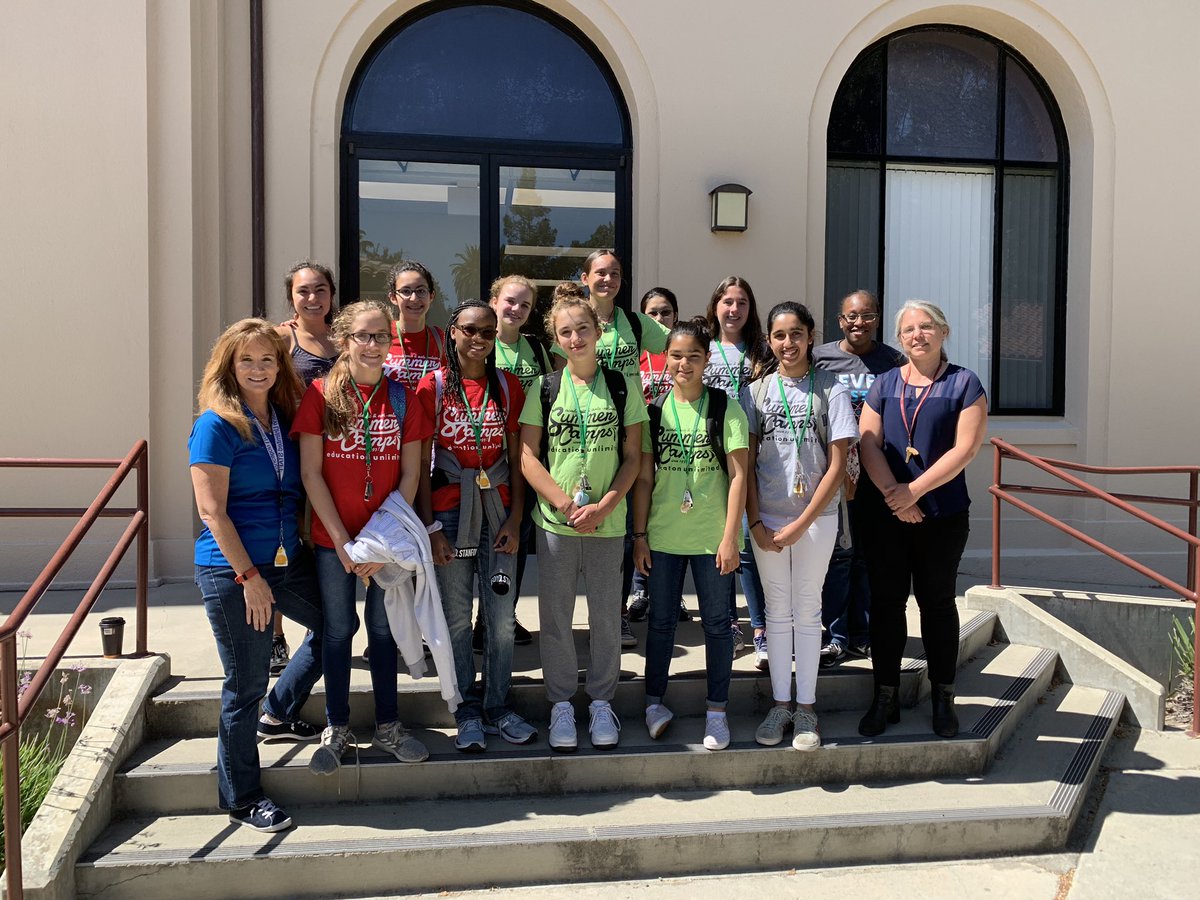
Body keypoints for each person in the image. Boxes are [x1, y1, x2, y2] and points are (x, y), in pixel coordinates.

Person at [189, 318, 324, 833]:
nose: (258, 368)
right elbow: (212, 512)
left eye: (268, 359)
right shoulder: (216, 425)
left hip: (286, 561)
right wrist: (249, 577)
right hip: (233, 571)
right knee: (243, 685)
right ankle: (242, 797)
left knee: (337, 627)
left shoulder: (283, 417)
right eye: (246, 359)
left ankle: (280, 709)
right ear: (228, 365)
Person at [292, 300, 434, 774]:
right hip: (333, 540)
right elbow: (311, 474)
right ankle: (337, 727)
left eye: (381, 337)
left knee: (382, 630)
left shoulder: (403, 398)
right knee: (336, 631)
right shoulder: (321, 395)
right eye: (363, 336)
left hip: (384, 541)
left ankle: (389, 726)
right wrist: (343, 542)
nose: (373, 345)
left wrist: (380, 541)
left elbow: (411, 474)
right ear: (344, 340)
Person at [520, 293, 646, 752]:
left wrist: (605, 507)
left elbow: (633, 458)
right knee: (555, 616)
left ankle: (600, 702)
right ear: (556, 339)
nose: (575, 338)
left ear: (598, 331)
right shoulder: (545, 387)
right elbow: (528, 455)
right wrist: (563, 504)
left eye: (583, 329)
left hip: (606, 524)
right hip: (557, 523)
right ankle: (560, 703)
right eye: (566, 332)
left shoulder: (621, 386)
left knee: (606, 616)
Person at [855, 300, 987, 739]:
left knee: (937, 605)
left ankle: (943, 697)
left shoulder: (964, 383)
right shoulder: (885, 383)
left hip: (941, 514)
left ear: (943, 332)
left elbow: (965, 449)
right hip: (885, 515)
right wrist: (895, 496)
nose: (918, 335)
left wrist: (914, 491)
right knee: (886, 604)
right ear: (899, 338)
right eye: (909, 329)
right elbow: (868, 443)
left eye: (926, 326)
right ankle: (885, 695)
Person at [416, 300, 536, 752]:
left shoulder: (506, 385)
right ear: (453, 331)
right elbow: (420, 464)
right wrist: (430, 527)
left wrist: (517, 517)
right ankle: (466, 708)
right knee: (455, 619)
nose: (479, 339)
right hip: (449, 513)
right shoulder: (433, 386)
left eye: (487, 332)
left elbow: (518, 457)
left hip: (498, 513)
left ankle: (498, 706)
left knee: (501, 619)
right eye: (470, 330)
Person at [744, 302, 858, 751]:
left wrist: (802, 522)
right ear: (769, 340)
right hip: (767, 519)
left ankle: (807, 709)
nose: (787, 343)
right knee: (776, 612)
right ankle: (780, 705)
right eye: (779, 335)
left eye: (796, 333)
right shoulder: (756, 392)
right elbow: (745, 464)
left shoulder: (831, 389)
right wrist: (755, 521)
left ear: (811, 336)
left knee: (808, 610)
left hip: (816, 520)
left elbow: (837, 466)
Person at [633, 319, 749, 751]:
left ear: (707, 359)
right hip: (663, 536)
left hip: (711, 539)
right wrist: (640, 535)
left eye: (694, 356)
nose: (684, 364)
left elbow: (739, 477)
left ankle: (717, 711)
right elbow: (645, 479)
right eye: (676, 356)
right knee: (661, 624)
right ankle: (654, 705)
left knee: (718, 626)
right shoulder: (654, 411)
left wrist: (730, 538)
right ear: (665, 358)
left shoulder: (725, 407)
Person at [557, 250, 669, 649]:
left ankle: (616, 615)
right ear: (585, 278)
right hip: (587, 434)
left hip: (631, 429)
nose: (608, 279)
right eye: (600, 272)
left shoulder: (636, 323)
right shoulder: (573, 321)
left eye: (616, 273)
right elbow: (558, 375)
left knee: (623, 526)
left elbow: (679, 347)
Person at [813, 289, 904, 668]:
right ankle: (834, 634)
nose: (859, 323)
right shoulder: (820, 357)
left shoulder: (893, 361)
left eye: (867, 316)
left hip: (877, 472)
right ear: (840, 321)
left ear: (877, 320)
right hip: (833, 471)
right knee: (838, 556)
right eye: (851, 316)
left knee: (867, 556)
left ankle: (862, 633)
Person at [269, 260, 339, 676]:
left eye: (320, 290)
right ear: (291, 297)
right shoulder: (281, 338)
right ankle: (276, 636)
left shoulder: (343, 339)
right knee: (287, 544)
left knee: (321, 546)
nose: (313, 298)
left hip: (338, 460)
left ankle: (321, 629)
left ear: (332, 294)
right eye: (303, 291)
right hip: (290, 458)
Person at [703, 276, 771, 668]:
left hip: (752, 454)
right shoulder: (704, 347)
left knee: (746, 545)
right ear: (715, 306)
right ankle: (729, 625)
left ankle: (761, 629)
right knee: (721, 540)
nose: (734, 309)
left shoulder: (763, 350)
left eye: (742, 302)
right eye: (727, 301)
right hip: (710, 456)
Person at [487, 273, 553, 647]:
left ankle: (504, 614)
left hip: (526, 458)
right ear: (494, 301)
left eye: (525, 304)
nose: (516, 309)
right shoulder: (482, 343)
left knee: (518, 536)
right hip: (486, 458)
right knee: (483, 540)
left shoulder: (536, 349)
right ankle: (482, 618)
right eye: (510, 301)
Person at [628, 287, 691, 625]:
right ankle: (640, 590)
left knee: (671, 517)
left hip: (675, 444)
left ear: (676, 316)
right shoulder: (636, 351)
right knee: (642, 518)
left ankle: (671, 593)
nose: (660, 318)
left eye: (666, 312)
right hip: (642, 443)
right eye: (652, 313)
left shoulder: (682, 354)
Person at [383, 260, 446, 389]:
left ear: (431, 296)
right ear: (393, 297)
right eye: (406, 291)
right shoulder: (381, 335)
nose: (414, 299)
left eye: (421, 291)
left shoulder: (441, 340)